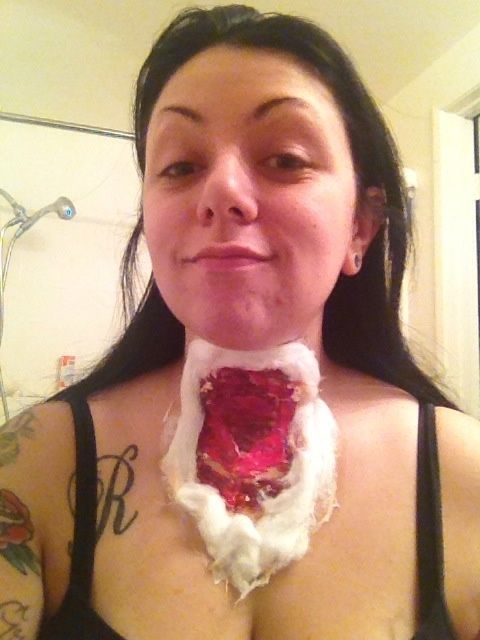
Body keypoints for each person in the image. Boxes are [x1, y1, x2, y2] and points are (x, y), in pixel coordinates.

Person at [1, 4, 479, 639]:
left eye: (285, 158)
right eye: (181, 166)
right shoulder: (33, 469)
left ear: (360, 228)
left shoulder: (467, 478)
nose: (221, 191)